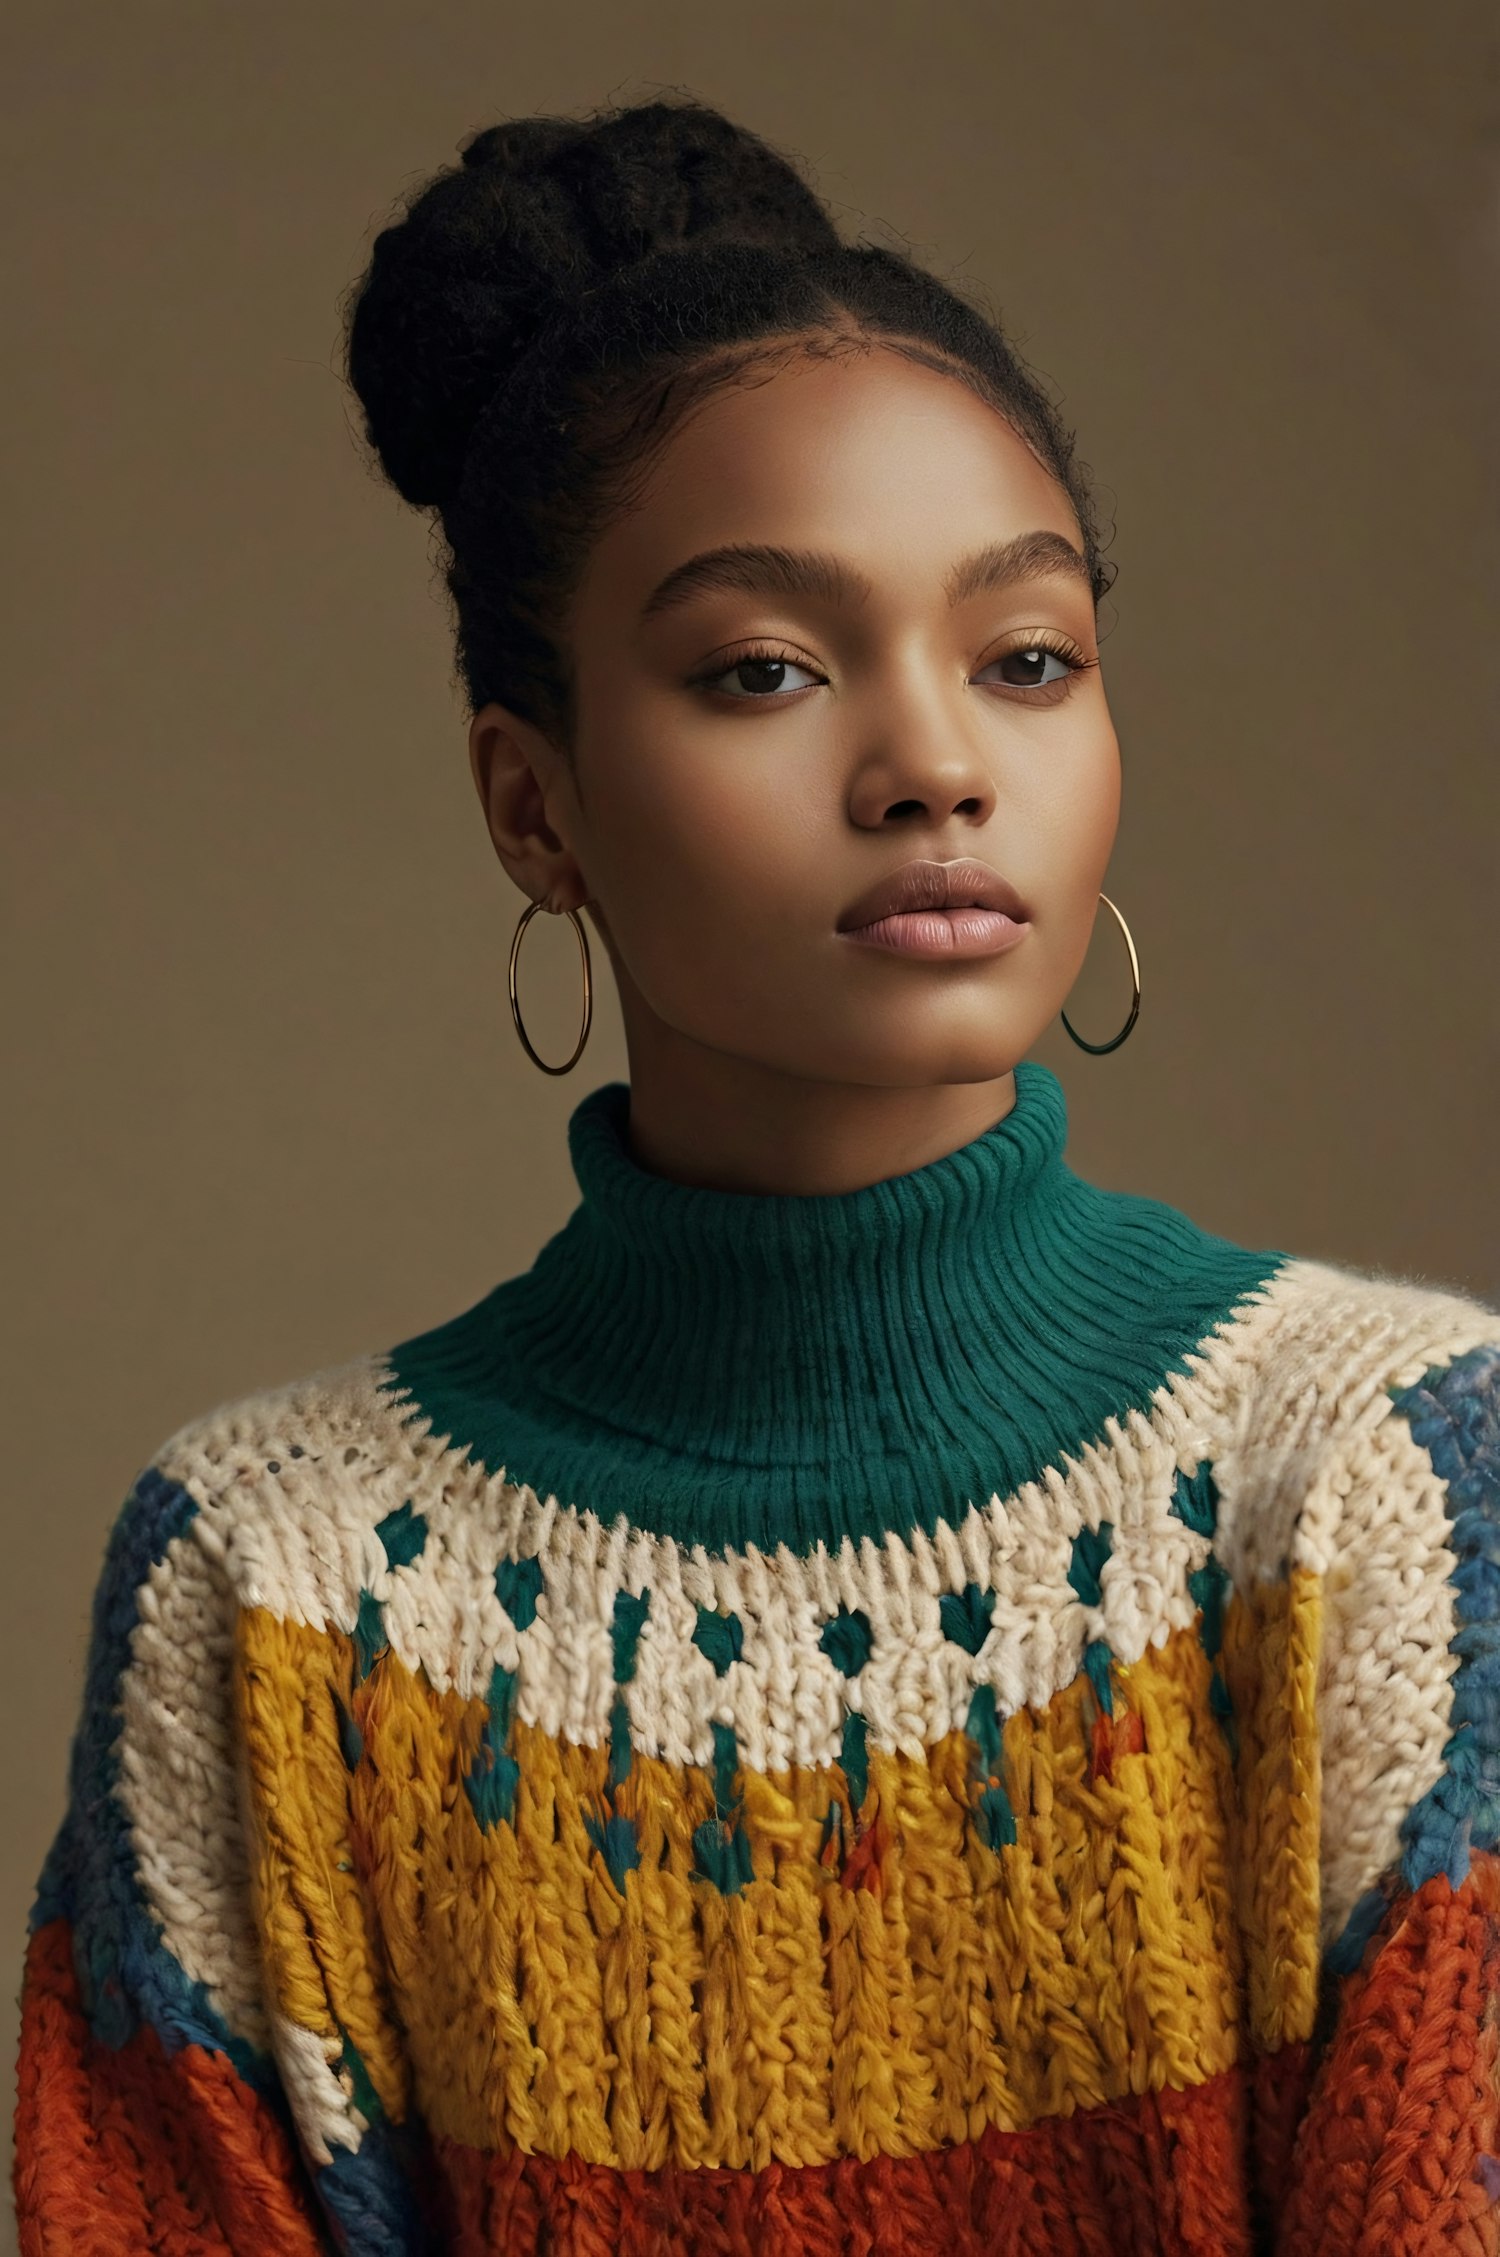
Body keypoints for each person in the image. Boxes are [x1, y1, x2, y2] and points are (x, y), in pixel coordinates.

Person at [13, 95, 1500, 2257]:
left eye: (1029, 656)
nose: (934, 765)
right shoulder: (278, 1596)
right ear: (535, 809)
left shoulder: (1392, 1482)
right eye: (765, 671)